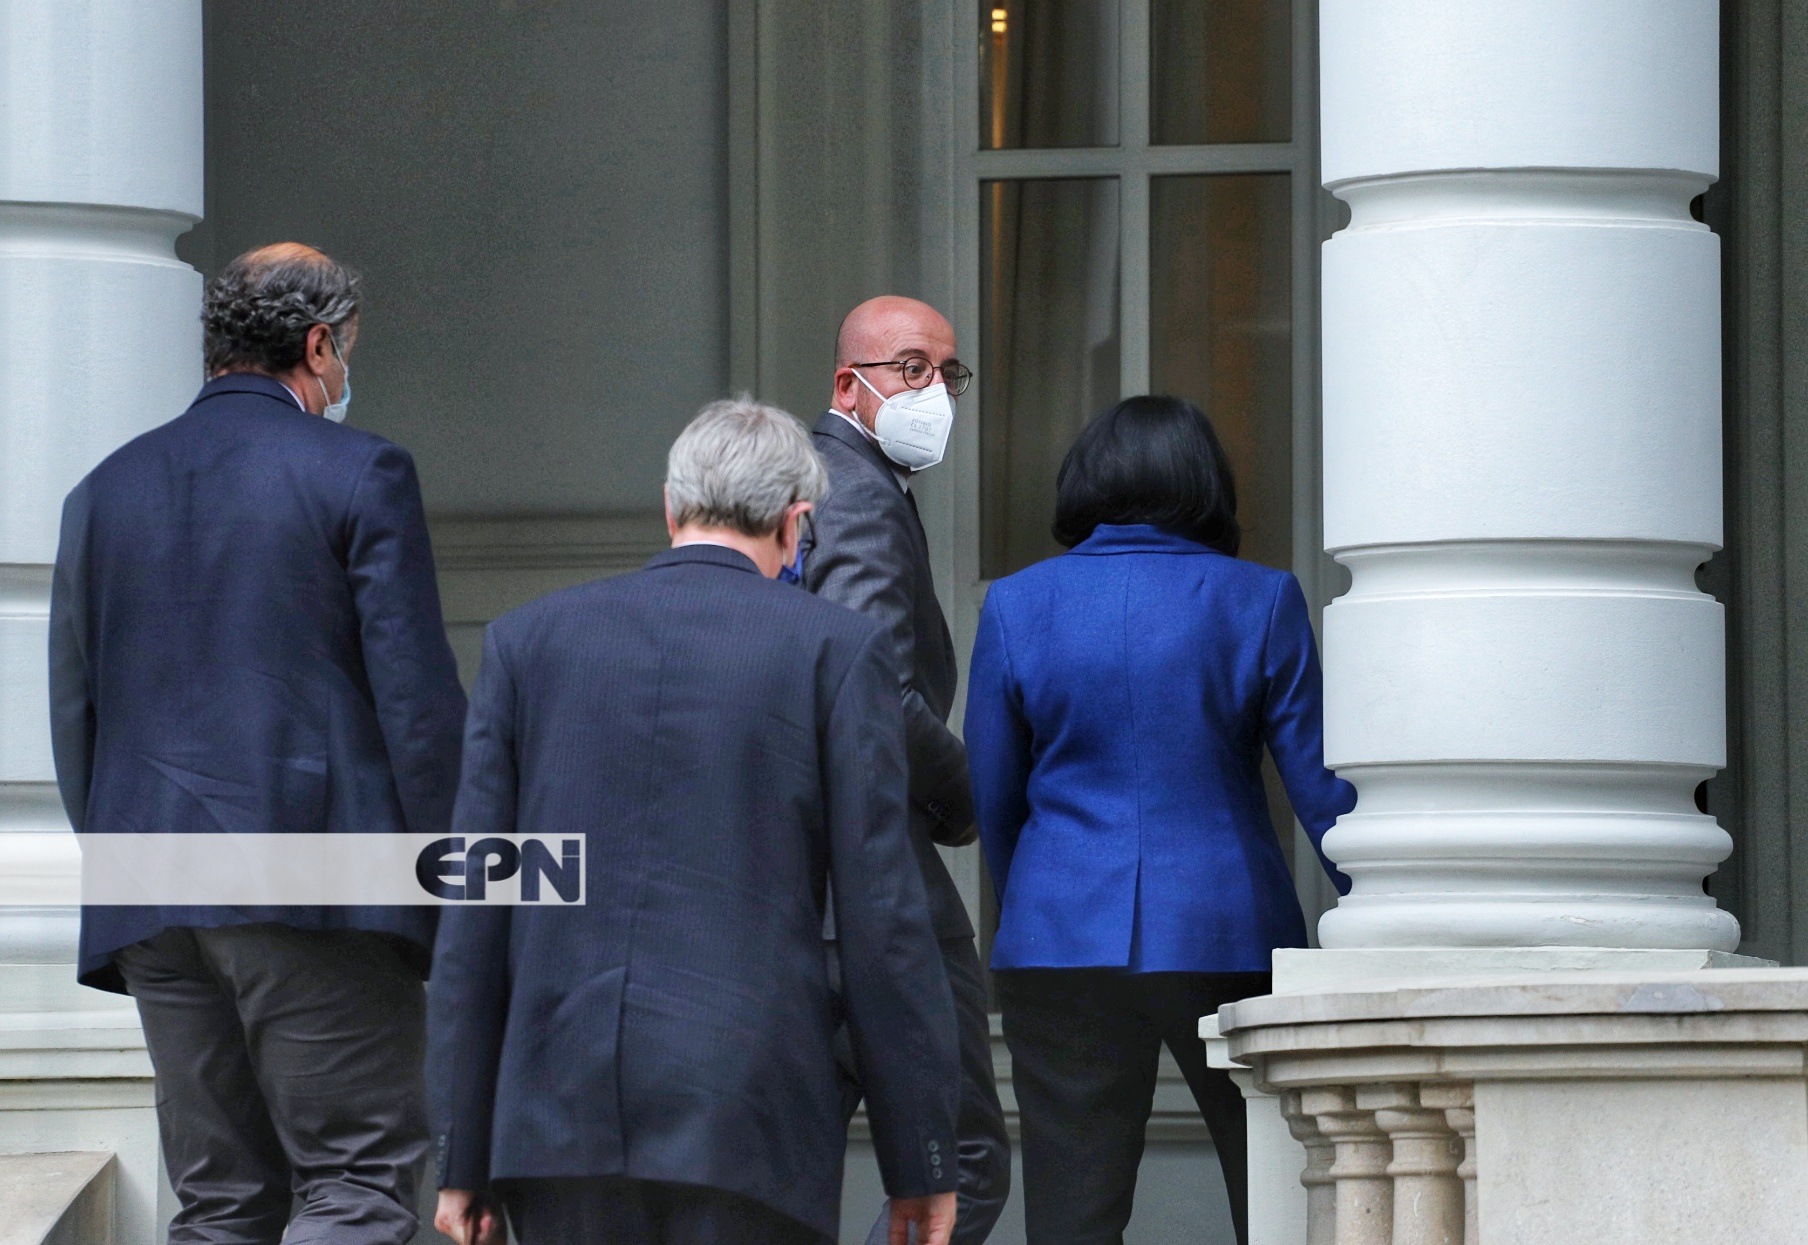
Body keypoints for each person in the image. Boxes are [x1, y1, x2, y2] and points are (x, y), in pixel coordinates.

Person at [428, 398, 961, 1245]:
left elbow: (475, 918)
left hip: (555, 1119)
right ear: (795, 523)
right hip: (747, 1114)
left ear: (671, 507)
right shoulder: (836, 649)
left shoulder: (525, 643)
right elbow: (882, 924)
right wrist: (921, 1162)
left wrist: (460, 1154)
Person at [48, 243, 468, 1244]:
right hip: (310, 883)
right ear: (319, 346)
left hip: (148, 887)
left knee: (221, 1204)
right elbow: (416, 708)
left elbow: (74, 712)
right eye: (345, 349)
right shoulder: (362, 470)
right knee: (356, 1186)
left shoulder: (101, 489)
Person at [963, 395, 1357, 1245]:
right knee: (1276, 1202)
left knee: (1072, 1218)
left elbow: (993, 794)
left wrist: (1039, 898)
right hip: (1227, 931)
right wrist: (1385, 910)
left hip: (1060, 937)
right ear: (1204, 482)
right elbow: (1320, 786)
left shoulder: (1016, 604)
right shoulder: (1262, 598)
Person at [803, 296, 1010, 1245]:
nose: (937, 392)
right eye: (914, 368)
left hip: (807, 892)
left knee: (793, 1169)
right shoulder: (855, 492)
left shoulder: (830, 482)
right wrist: (969, 798)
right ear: (849, 386)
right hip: (878, 885)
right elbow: (874, 686)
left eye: (948, 373)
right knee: (959, 1164)